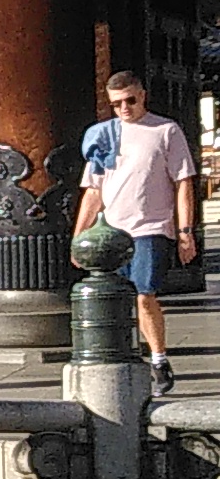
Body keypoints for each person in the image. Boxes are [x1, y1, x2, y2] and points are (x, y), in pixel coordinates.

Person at [74, 67, 199, 398]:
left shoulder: (165, 131)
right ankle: (124, 358)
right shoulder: (103, 135)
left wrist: (185, 231)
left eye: (130, 100)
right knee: (115, 298)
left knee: (145, 294)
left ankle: (159, 359)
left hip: (150, 227)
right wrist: (79, 237)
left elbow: (183, 182)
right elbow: (93, 191)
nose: (124, 108)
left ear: (142, 95)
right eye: (116, 104)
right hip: (111, 231)